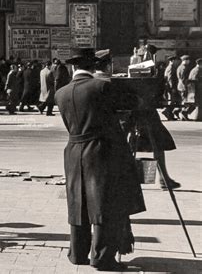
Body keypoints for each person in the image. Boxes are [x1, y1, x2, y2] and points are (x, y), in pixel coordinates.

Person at [54, 48, 145, 271]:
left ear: (73, 67)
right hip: (101, 150)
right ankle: (102, 257)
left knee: (78, 202)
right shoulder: (102, 86)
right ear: (94, 66)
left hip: (74, 149)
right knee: (105, 202)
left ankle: (77, 253)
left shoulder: (62, 92)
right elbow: (133, 102)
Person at [161, 55, 181, 121]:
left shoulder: (170, 67)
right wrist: (172, 88)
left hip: (170, 86)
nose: (176, 62)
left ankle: (170, 115)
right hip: (171, 87)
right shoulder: (171, 68)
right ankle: (167, 113)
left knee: (173, 101)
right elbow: (170, 79)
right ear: (172, 61)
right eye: (175, 60)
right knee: (172, 101)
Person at [177, 55, 191, 120]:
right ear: (184, 60)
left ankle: (181, 114)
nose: (189, 61)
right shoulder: (183, 68)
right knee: (185, 100)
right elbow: (183, 79)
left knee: (183, 100)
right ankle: (183, 114)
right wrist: (186, 87)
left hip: (180, 86)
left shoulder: (180, 67)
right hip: (183, 86)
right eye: (187, 60)